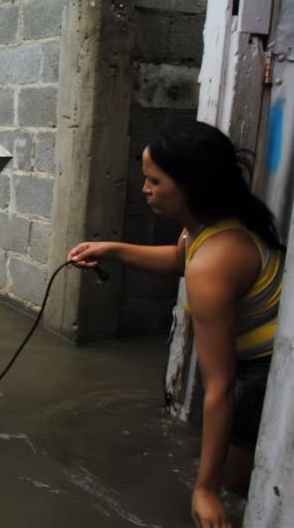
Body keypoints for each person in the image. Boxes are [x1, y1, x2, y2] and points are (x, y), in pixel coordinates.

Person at [68, 121, 285, 528]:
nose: (145, 189)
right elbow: (177, 258)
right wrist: (112, 249)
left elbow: (219, 385)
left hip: (262, 372)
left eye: (154, 180)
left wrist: (205, 490)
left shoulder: (214, 263)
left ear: (190, 185)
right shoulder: (209, 224)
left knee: (236, 489)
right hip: (252, 365)